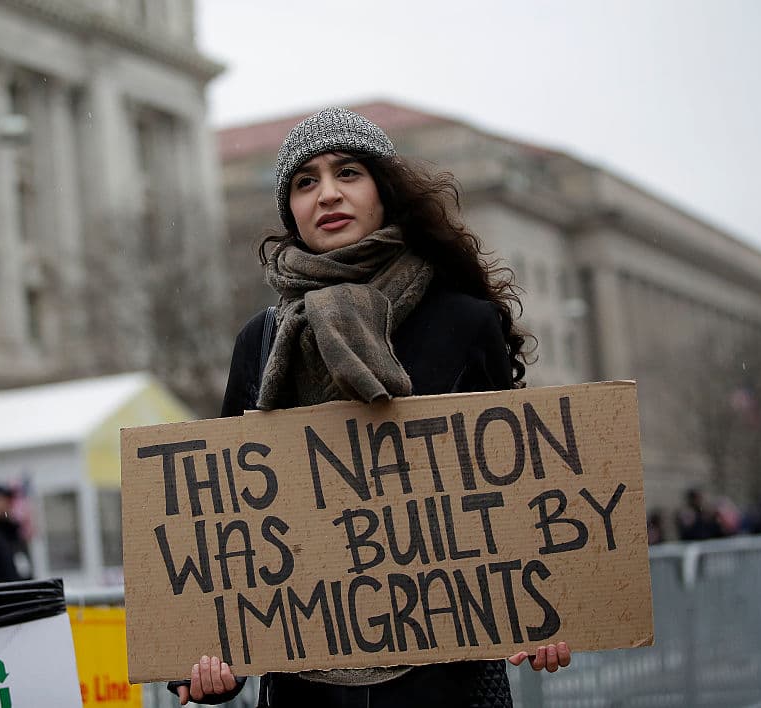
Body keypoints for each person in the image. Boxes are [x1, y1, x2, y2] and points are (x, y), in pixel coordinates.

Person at [171, 108, 570, 707]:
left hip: (447, 684)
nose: (327, 193)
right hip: (307, 689)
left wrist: (548, 609)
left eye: (347, 173)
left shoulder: (463, 321)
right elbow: (233, 520)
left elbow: (512, 498)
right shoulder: (260, 339)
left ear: (383, 190)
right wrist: (207, 664)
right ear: (291, 212)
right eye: (305, 182)